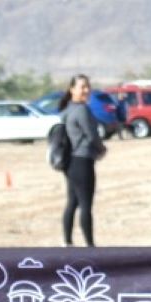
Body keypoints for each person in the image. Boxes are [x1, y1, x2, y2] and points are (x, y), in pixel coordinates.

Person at [55, 74, 106, 246]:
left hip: (71, 163)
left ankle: (67, 242)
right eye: (82, 87)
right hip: (82, 160)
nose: (86, 90)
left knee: (72, 202)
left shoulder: (67, 110)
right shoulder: (82, 110)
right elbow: (91, 135)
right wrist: (101, 148)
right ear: (72, 90)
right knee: (85, 204)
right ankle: (90, 245)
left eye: (87, 86)